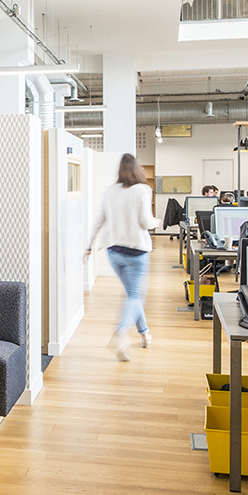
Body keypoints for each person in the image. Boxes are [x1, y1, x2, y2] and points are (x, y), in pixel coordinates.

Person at [84, 153, 160, 361]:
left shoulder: (110, 191)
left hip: (114, 252)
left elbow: (98, 220)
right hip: (136, 252)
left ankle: (144, 334)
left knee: (132, 295)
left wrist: (88, 246)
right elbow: (145, 222)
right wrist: (157, 222)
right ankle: (121, 332)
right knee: (135, 296)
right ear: (137, 169)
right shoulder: (143, 190)